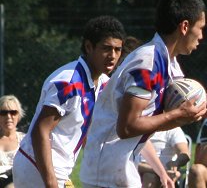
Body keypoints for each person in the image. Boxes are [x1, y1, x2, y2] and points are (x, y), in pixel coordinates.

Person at [80, 0, 207, 187]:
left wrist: (198, 112)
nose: (201, 36)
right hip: (107, 170)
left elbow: (156, 122)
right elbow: (127, 127)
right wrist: (178, 114)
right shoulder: (148, 63)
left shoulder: (169, 64)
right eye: (201, 28)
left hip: (121, 164)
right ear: (185, 26)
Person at [12, 15, 126, 188]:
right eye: (106, 48)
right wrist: (52, 184)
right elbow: (40, 131)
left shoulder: (103, 82)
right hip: (36, 168)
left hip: (57, 171)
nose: (112, 55)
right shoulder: (69, 82)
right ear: (89, 47)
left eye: (118, 50)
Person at [0, 95, 25, 188]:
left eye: (13, 112)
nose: (8, 116)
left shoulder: (25, 141)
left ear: (18, 116)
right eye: (3, 113)